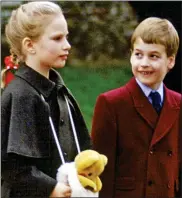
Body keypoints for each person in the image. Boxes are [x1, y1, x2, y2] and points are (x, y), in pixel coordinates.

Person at [1, 1, 91, 198]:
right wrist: (49, 188)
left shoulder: (60, 91)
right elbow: (13, 167)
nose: (67, 45)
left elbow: (81, 148)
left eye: (66, 37)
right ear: (29, 45)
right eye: (57, 38)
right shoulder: (21, 95)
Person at [91, 17, 181, 198]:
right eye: (138, 54)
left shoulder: (178, 103)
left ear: (170, 61)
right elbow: (101, 172)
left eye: (153, 56)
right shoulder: (111, 103)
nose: (144, 63)